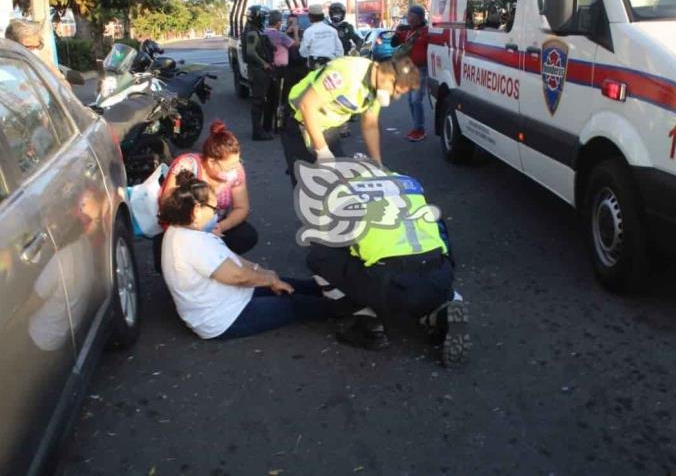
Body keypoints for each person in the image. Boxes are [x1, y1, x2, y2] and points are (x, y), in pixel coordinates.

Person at [304, 167, 470, 366]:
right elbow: (441, 233)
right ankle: (439, 313)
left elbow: (326, 239)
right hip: (440, 276)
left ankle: (367, 322)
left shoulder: (341, 193)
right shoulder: (407, 182)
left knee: (317, 256)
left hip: (389, 283)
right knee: (423, 272)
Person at [159, 171, 341, 339]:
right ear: (197, 210)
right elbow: (236, 276)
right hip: (223, 317)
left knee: (297, 285)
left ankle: (338, 289)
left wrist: (263, 272)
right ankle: (350, 308)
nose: (218, 214)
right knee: (296, 304)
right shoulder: (193, 242)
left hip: (230, 298)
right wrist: (270, 281)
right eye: (214, 210)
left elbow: (230, 258)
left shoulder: (184, 230)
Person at [281, 56, 421, 185]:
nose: (394, 97)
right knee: (313, 188)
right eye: (396, 91)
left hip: (327, 126)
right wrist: (322, 150)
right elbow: (307, 106)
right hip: (301, 122)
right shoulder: (345, 73)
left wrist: (377, 164)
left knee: (340, 183)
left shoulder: (377, 87)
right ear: (389, 78)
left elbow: (370, 125)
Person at [153, 121, 258, 270]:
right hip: (183, 227)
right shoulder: (187, 166)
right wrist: (197, 229)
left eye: (237, 162)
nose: (233, 170)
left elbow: (242, 208)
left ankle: (217, 262)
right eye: (228, 167)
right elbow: (168, 204)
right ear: (211, 161)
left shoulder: (236, 170)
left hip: (213, 226)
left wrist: (220, 227)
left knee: (246, 235)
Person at [391, 5, 430, 142]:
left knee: (416, 100)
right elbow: (393, 44)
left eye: (411, 16)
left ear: (419, 18)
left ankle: (420, 129)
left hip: (421, 69)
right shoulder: (407, 32)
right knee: (410, 100)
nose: (408, 19)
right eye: (408, 16)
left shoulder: (426, 31)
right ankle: (416, 128)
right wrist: (397, 33)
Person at [328, 2, 364, 138]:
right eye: (334, 12)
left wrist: (356, 51)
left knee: (346, 91)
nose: (336, 15)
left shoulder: (347, 28)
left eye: (338, 12)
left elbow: (359, 40)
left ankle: (346, 121)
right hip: (330, 62)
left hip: (344, 62)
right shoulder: (326, 27)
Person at [242, 5, 275, 140]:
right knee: (258, 102)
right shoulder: (252, 32)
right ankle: (257, 132)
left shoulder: (255, 30)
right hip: (258, 71)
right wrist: (264, 63)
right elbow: (251, 52)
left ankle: (262, 128)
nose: (264, 20)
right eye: (262, 17)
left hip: (259, 70)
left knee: (263, 100)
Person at [264, 10, 298, 132]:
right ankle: (280, 126)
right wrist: (295, 32)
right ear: (278, 23)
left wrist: (285, 32)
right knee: (281, 98)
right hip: (281, 70)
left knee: (269, 98)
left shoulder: (264, 33)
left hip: (268, 69)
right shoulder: (281, 36)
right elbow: (296, 44)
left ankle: (267, 126)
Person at [299, 4, 343, 70]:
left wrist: (310, 56)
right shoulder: (332, 30)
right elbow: (340, 51)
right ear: (322, 16)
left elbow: (303, 52)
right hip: (330, 66)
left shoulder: (308, 32)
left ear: (310, 17)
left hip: (315, 66)